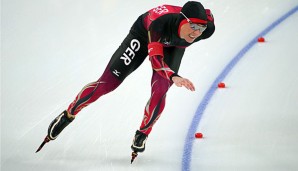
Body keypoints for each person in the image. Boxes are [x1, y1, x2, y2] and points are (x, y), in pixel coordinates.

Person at [36, 1, 215, 159]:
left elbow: (203, 22)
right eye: (193, 27)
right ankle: (68, 114)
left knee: (160, 90)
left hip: (173, 45)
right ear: (182, 20)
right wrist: (174, 75)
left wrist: (171, 75)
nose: (196, 33)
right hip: (144, 34)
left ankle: (142, 134)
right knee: (107, 84)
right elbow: (155, 60)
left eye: (201, 29)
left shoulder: (208, 29)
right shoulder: (160, 23)